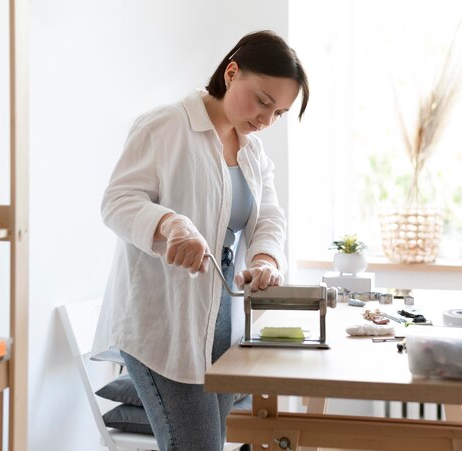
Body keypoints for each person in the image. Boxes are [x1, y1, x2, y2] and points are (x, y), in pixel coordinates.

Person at [91, 30, 309, 451]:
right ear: (231, 73)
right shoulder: (166, 125)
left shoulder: (253, 152)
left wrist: (266, 260)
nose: (266, 120)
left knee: (218, 437)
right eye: (263, 101)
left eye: (279, 112)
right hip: (163, 321)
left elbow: (269, 217)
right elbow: (117, 202)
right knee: (200, 444)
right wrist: (171, 224)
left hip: (222, 318)